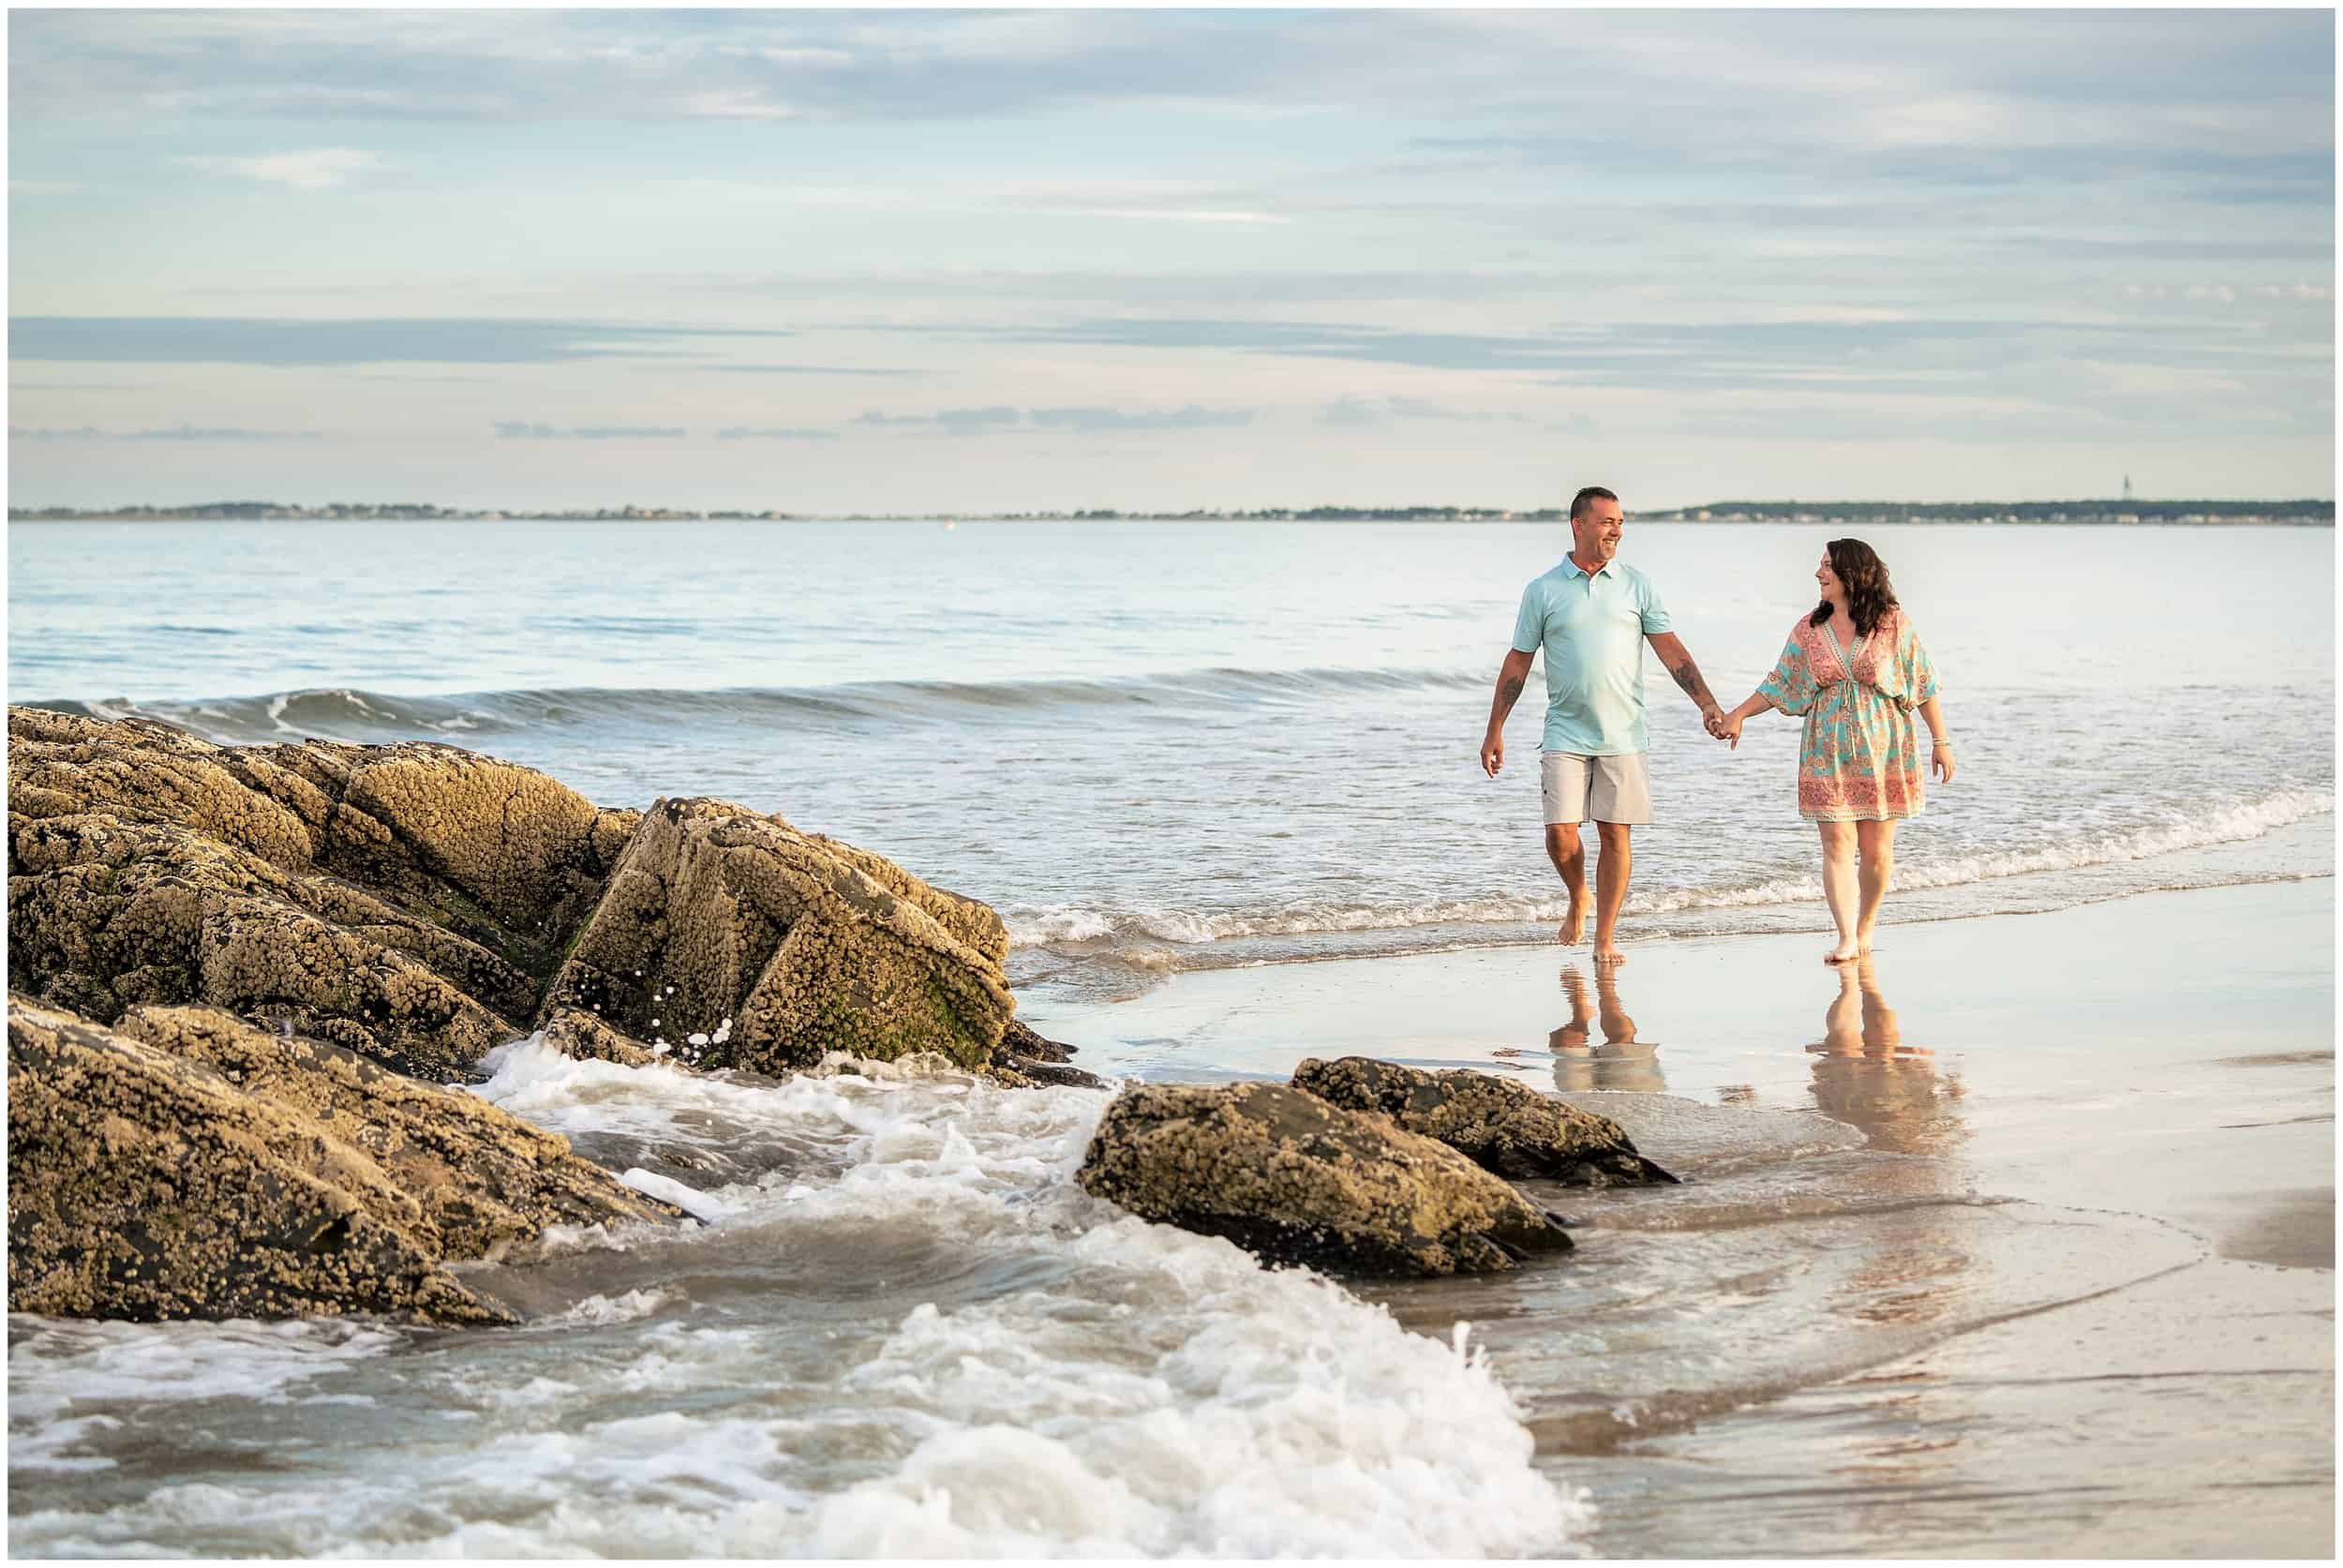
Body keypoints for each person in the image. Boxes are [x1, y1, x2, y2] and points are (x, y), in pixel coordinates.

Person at [1480, 485, 1724, 964]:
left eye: (1620, 522)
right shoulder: (1543, 590)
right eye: (1608, 521)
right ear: (1579, 525)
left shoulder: (1636, 585)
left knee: (1616, 834)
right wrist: (1495, 729)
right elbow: (1517, 664)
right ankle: (1578, 896)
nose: (1618, 530)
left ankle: (1605, 936)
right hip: (1564, 732)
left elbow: (1671, 651)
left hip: (1624, 733)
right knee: (1560, 832)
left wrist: (1706, 704)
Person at [1712, 538, 1954, 963]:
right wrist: (1739, 714)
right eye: (1820, 565)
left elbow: (1923, 682)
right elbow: (1780, 682)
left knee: (1877, 852)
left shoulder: (1892, 623)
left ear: (1852, 573)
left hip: (1885, 749)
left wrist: (1941, 741)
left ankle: (1866, 926)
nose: (1819, 573)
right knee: (1837, 846)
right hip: (1826, 750)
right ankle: (1845, 935)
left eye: (1827, 566)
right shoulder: (1809, 629)